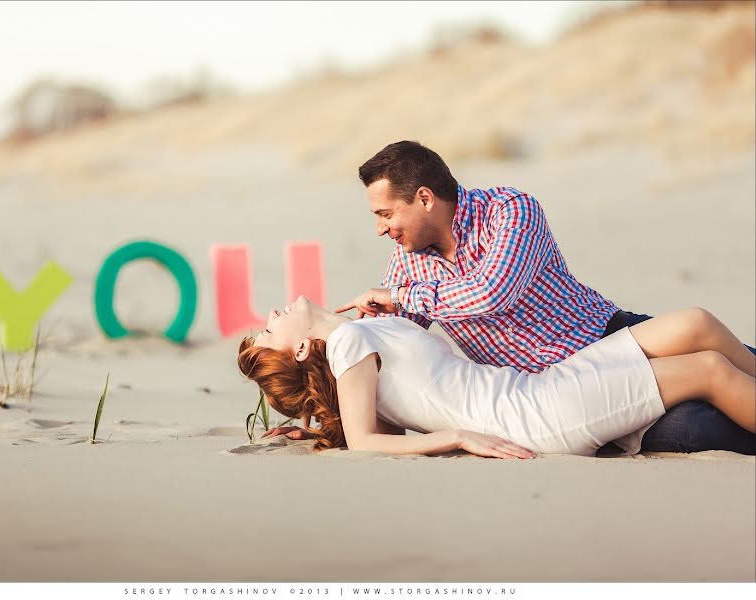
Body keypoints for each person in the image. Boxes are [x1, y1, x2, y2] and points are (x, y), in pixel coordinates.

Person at [332, 140, 756, 454]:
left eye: (386, 214)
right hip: (559, 395)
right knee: (700, 424)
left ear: (424, 198)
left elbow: (493, 292)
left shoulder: (509, 210)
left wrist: (405, 296)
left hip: (607, 336)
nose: (381, 229)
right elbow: (385, 357)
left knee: (713, 342)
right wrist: (328, 419)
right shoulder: (407, 264)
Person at [239, 296, 755, 457]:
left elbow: (374, 419)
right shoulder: (348, 346)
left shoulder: (361, 333)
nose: (273, 312)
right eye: (268, 329)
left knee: (695, 324)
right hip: (536, 417)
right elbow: (365, 440)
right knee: (708, 370)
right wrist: (458, 436)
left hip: (540, 388)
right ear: (302, 347)